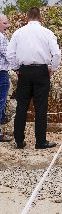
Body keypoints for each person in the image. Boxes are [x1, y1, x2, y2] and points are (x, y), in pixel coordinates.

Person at [7, 7, 61, 149]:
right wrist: (52, 69)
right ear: (40, 17)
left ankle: (19, 140)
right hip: (41, 72)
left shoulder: (18, 33)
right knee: (41, 107)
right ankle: (40, 141)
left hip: (24, 72)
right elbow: (56, 54)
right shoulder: (47, 33)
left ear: (27, 17)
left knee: (21, 107)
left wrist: (17, 68)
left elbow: (10, 54)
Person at [0, 14, 12, 142]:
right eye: (4, 23)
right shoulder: (1, 38)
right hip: (1, 73)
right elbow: (9, 55)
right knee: (0, 102)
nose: (7, 26)